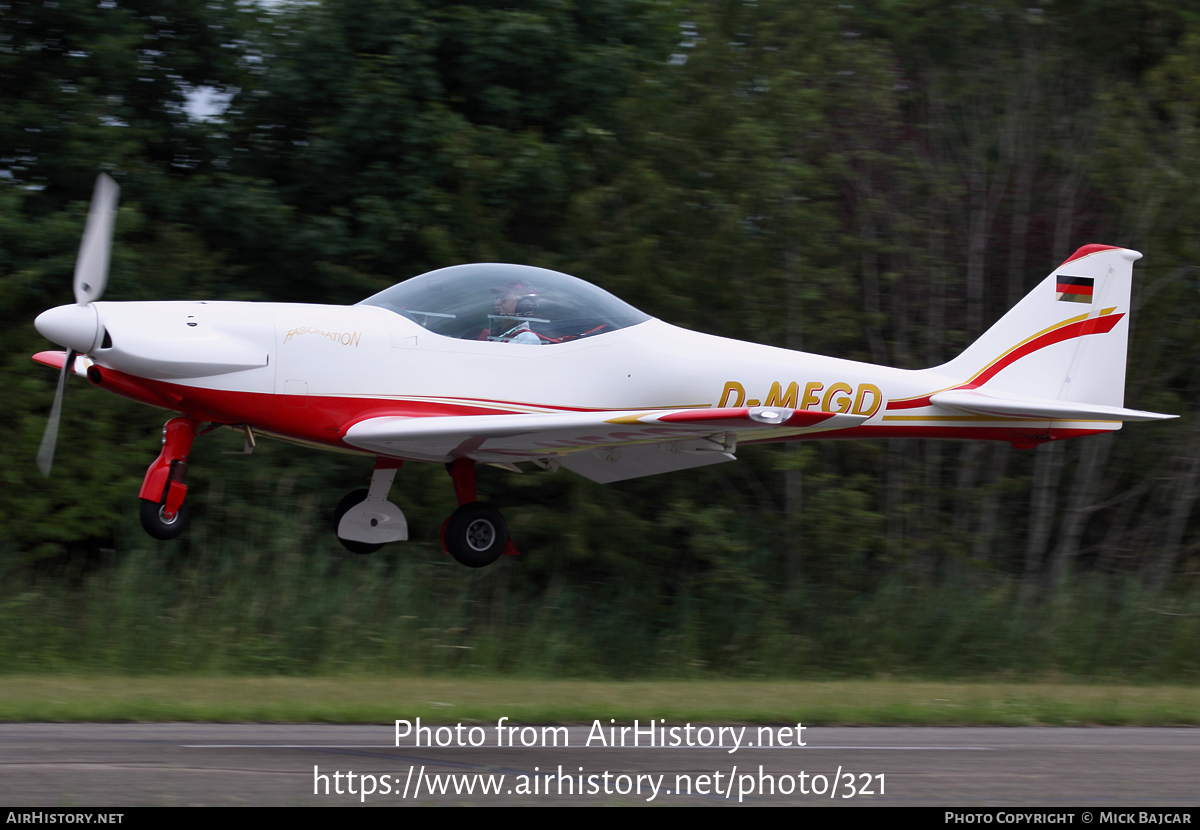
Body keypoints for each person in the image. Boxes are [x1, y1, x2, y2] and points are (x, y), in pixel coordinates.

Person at [489, 279, 542, 344]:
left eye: (504, 298)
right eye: (497, 297)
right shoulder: (499, 335)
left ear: (524, 305)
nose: (497, 303)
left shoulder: (527, 338)